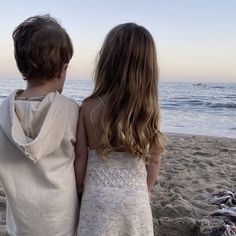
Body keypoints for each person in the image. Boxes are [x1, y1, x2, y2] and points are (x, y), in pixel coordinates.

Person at [75, 23, 165, 236]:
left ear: (106, 61)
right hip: (135, 197)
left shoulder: (88, 107)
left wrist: (79, 191)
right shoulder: (148, 110)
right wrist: (146, 190)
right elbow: (154, 160)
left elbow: (80, 160)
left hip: (96, 197)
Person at [0, 15, 79, 236]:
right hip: (61, 221)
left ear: (21, 65)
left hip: (21, 223)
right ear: (62, 70)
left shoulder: (3, 114)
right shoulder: (70, 110)